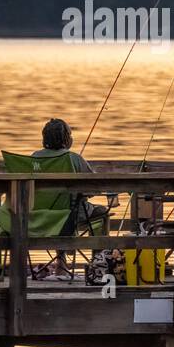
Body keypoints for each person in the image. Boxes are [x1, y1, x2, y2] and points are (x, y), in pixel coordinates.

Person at [32, 118, 112, 280]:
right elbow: (94, 188)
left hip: (39, 217)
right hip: (69, 217)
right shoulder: (73, 158)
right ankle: (98, 266)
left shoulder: (34, 159)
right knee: (101, 213)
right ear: (66, 138)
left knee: (61, 213)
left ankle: (61, 265)